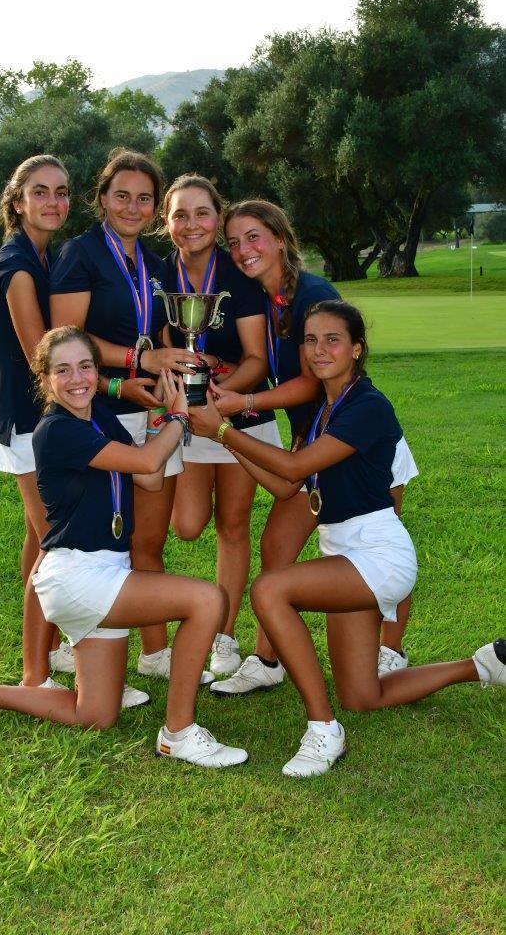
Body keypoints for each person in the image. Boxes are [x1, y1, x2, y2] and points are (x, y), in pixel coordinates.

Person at [189, 300, 505, 776]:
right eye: (310, 340)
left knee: (269, 589)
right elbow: (286, 485)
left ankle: (323, 730)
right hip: (345, 552)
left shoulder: (367, 405)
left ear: (357, 349)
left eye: (333, 339)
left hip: (378, 555)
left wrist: (227, 430)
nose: (319, 349)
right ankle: (483, 665)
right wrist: (219, 438)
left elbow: (294, 467)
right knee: (363, 694)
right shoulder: (327, 407)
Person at [0, 327, 248, 769]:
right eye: (63, 370)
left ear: (97, 371)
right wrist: (179, 416)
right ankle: (179, 733)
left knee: (94, 715)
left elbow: (148, 477)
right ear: (45, 379)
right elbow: (149, 463)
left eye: (86, 366)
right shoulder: (55, 430)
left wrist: (160, 422)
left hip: (101, 573)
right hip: (78, 576)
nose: (77, 379)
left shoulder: (97, 419)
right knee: (207, 600)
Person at [209, 201, 417, 696]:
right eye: (234, 242)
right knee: (278, 543)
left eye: (254, 237)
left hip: (356, 446)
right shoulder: (268, 297)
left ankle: (391, 650)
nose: (244, 250)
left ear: (281, 238)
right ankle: (267, 659)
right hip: (314, 437)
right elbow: (270, 366)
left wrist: (244, 402)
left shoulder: (312, 294)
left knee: (380, 542)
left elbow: (309, 379)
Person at [50, 149, 203, 682]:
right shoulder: (80, 253)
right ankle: (81, 642)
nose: (133, 207)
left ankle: (155, 652)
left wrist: (175, 361)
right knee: (106, 535)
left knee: (149, 540)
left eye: (144, 198)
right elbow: (68, 338)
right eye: (122, 196)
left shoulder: (157, 265)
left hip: (151, 409)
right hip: (100, 413)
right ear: (101, 199)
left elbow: (159, 330)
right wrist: (139, 361)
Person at [161, 175, 277, 677]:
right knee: (187, 526)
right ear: (166, 223)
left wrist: (224, 400)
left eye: (202, 213)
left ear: (216, 216)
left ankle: (224, 637)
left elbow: (257, 359)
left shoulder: (240, 273)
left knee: (233, 526)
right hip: (186, 418)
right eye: (180, 214)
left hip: (241, 413)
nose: (192, 225)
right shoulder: (158, 271)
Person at [0, 155, 70, 689]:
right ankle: (37, 673)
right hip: (28, 426)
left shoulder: (39, 256)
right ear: (19, 202)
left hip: (28, 422)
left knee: (39, 541)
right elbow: (46, 359)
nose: (54, 202)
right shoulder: (17, 268)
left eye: (61, 192)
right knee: (57, 545)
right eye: (41, 192)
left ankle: (50, 651)